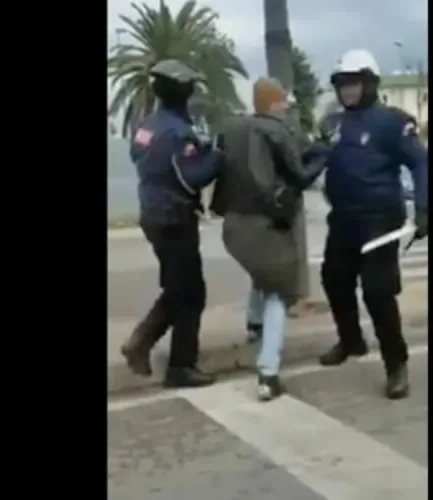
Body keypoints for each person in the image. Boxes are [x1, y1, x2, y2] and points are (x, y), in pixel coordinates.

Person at [317, 49, 428, 399]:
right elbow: (312, 160)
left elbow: (421, 163)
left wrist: (424, 207)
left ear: (370, 83)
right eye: (342, 84)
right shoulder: (332, 123)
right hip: (344, 218)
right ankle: (351, 341)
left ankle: (396, 366)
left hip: (381, 219)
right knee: (334, 279)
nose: (348, 90)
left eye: (354, 83)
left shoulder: (393, 121)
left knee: (378, 292)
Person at [210, 77, 326, 401]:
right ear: (273, 103)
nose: (286, 106)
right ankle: (268, 371)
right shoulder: (279, 130)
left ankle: (254, 324)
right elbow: (300, 176)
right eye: (282, 101)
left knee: (263, 270)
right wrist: (321, 155)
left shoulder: (230, 129)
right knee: (280, 290)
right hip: (267, 222)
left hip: (233, 227)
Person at [120, 59, 222, 389]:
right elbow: (191, 178)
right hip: (175, 217)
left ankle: (143, 343)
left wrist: (198, 150)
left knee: (178, 288)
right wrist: (217, 157)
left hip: (152, 214)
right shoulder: (179, 131)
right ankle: (178, 364)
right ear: (183, 91)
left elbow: (145, 159)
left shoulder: (147, 125)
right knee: (192, 294)